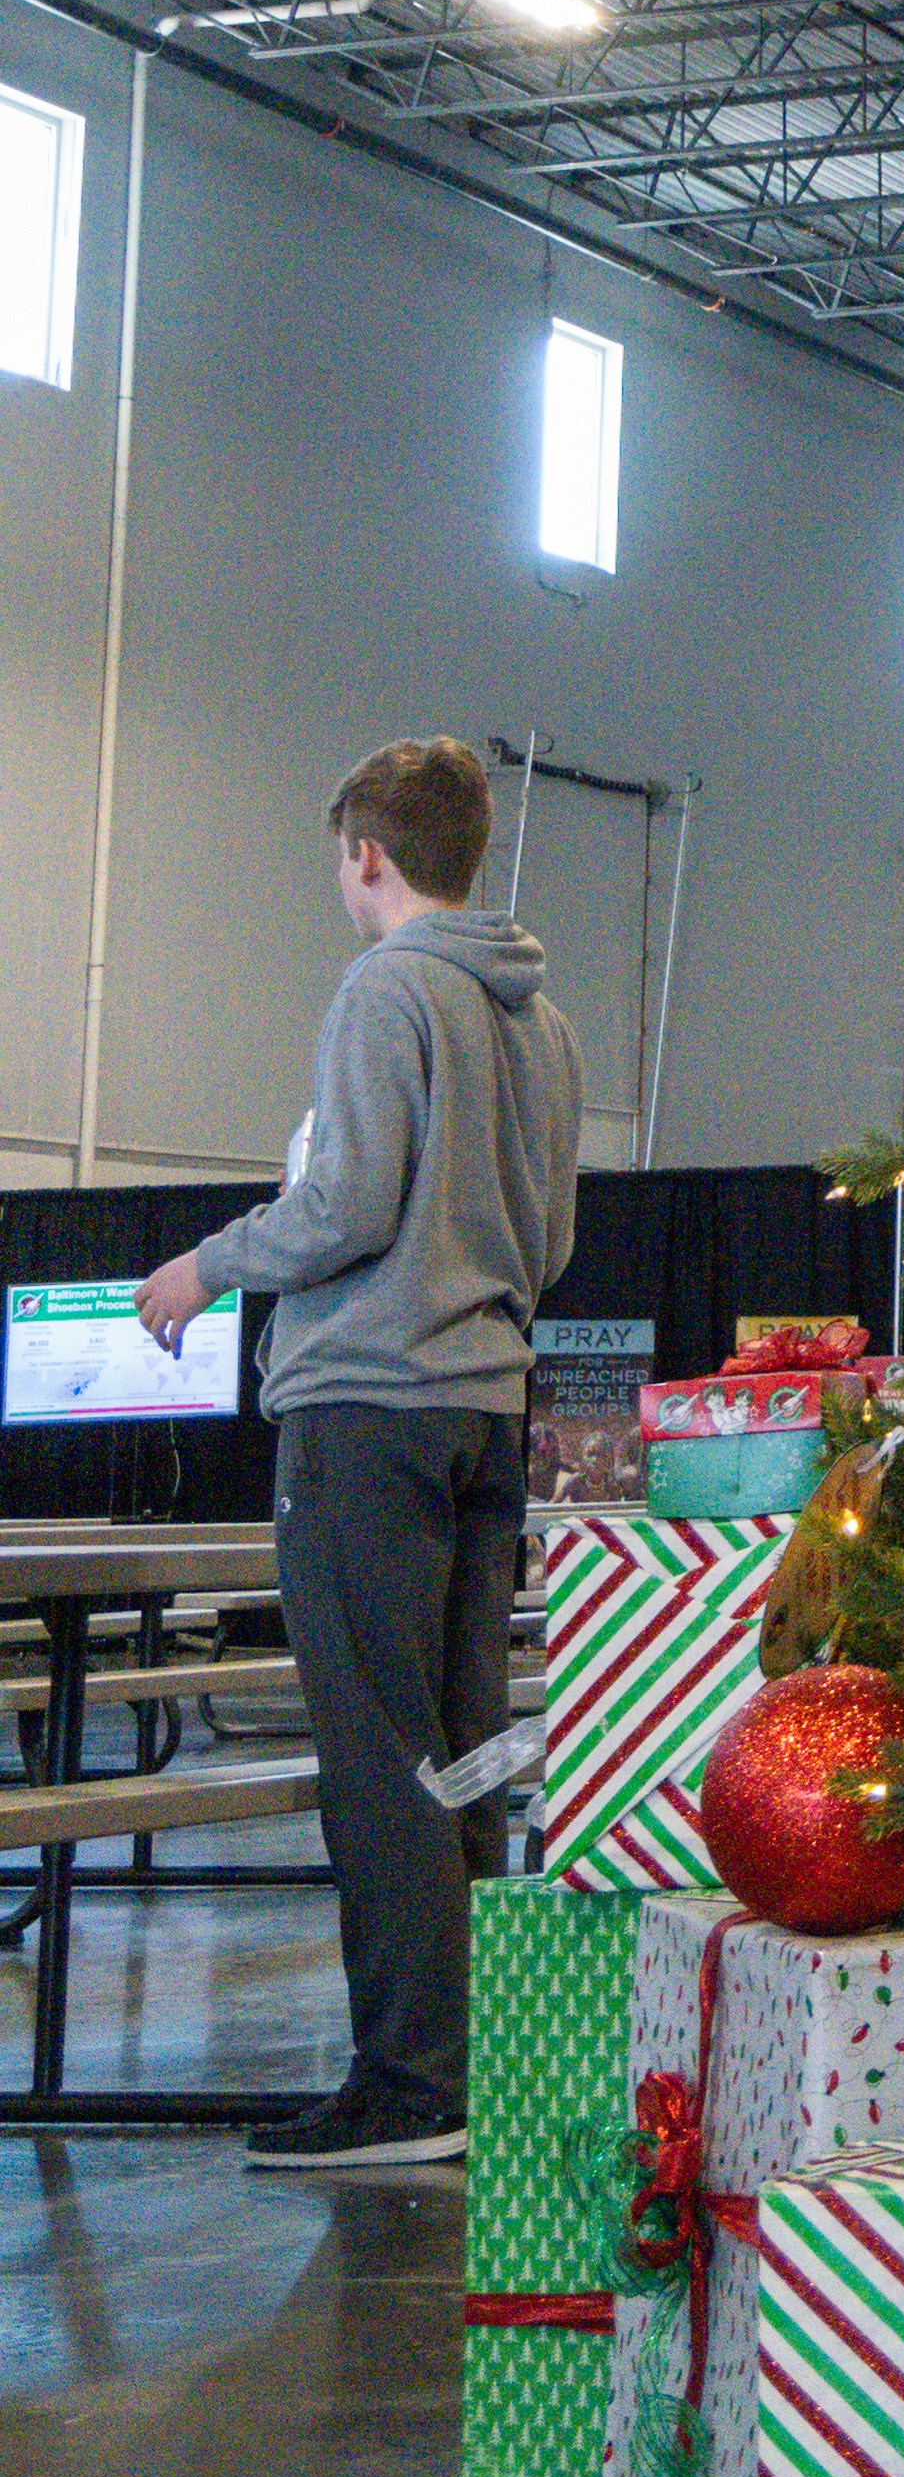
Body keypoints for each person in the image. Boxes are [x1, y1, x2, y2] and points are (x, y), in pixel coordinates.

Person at [134, 739, 582, 2173]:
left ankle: (407, 2082)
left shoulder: (387, 987)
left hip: (367, 1412)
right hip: (483, 1408)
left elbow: (342, 1203)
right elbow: (554, 1239)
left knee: (378, 1757)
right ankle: (474, 2064)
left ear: (368, 857)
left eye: (341, 859)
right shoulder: (543, 1023)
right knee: (459, 1753)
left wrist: (203, 1267)